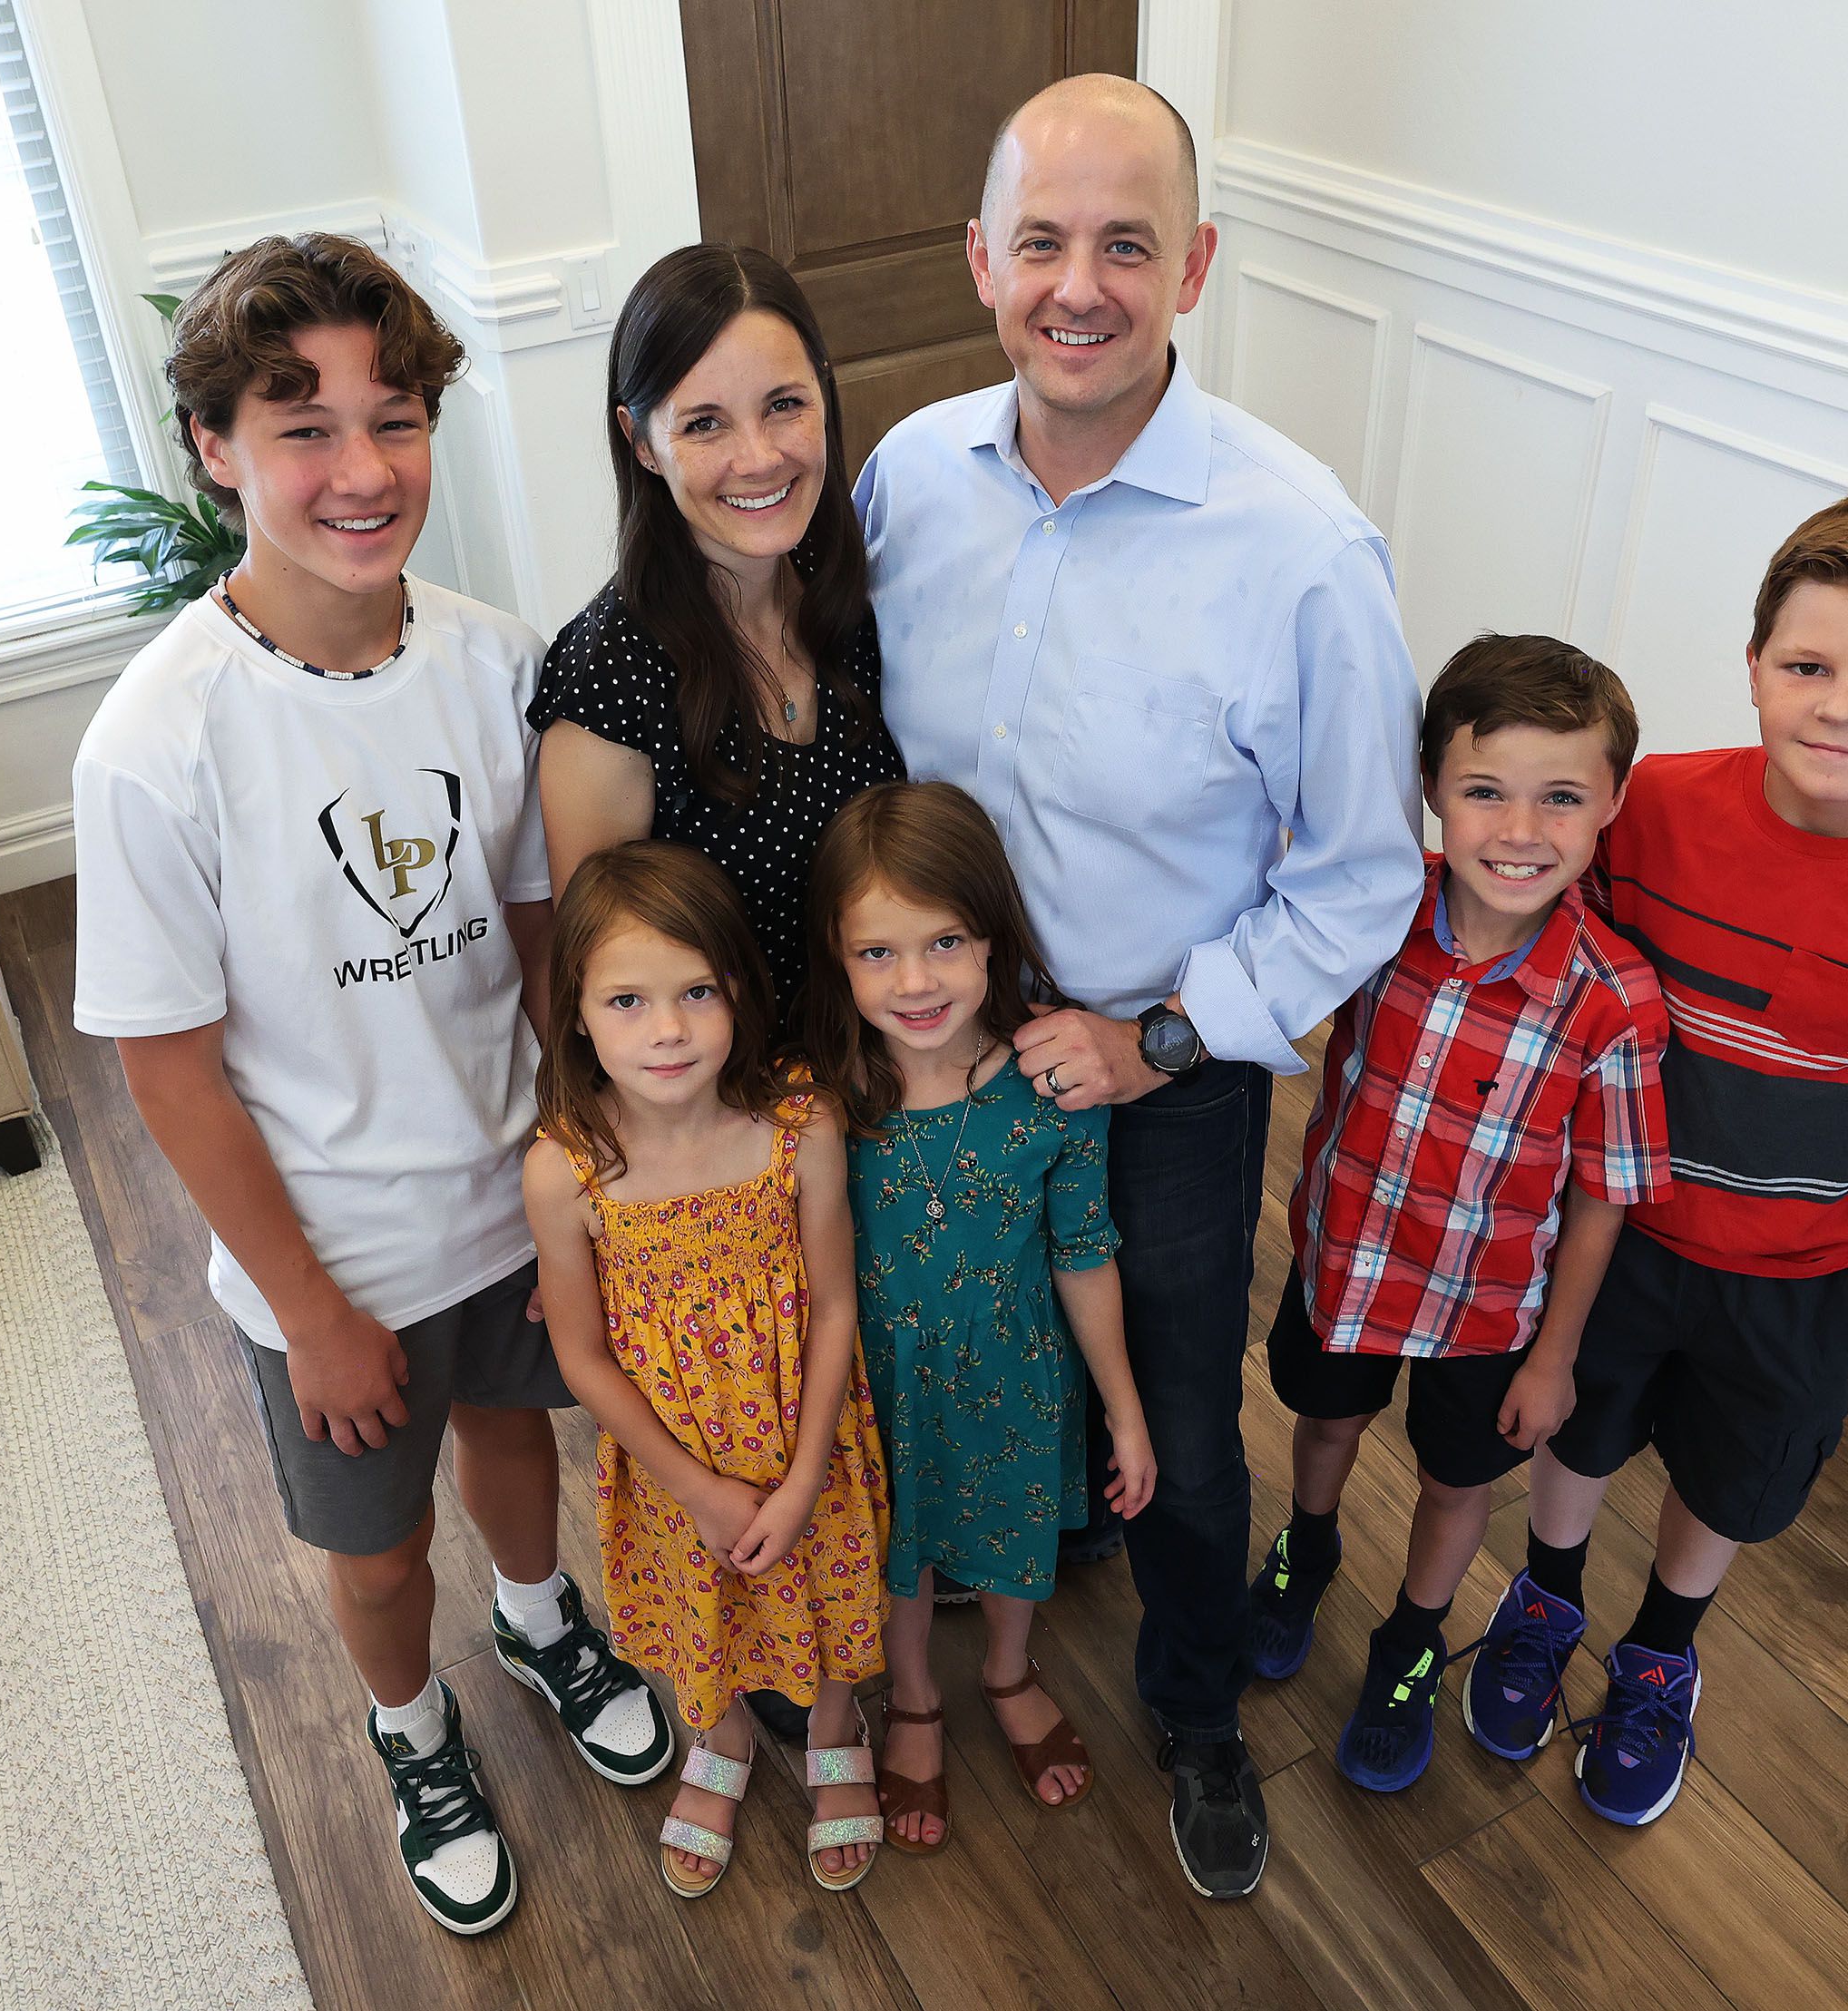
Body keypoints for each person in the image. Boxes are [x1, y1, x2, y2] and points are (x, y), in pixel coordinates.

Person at [855, 74, 1423, 1899]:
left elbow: (1364, 878)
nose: (1078, 285)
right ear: (980, 259)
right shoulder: (905, 479)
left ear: (1197, 264)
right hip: (930, 1057)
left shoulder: (1303, 550)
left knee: (1179, 1428)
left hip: (1164, 1063)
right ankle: (969, 1601)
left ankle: (1192, 1705)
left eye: (1126, 243)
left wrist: (1158, 1034)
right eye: (1041, 241)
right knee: (950, 1351)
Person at [71, 233, 667, 1939]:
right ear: (213, 447)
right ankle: (412, 1729)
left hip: (508, 1195)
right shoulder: (157, 743)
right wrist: (309, 1307)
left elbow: (551, 935)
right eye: (303, 427)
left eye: (392, 420)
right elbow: (170, 1072)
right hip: (327, 1258)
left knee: (514, 1445)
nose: (361, 471)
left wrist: (585, 1150)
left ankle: (543, 1622)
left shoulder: (494, 663)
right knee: (383, 1546)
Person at [1465, 489, 1848, 1827]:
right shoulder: (1648, 814)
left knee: (1729, 1475)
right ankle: (1542, 1599)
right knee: (1572, 1425)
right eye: (1807, 666)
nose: (1840, 705)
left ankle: (1662, 1652)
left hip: (1802, 1275)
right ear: (1753, 667)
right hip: (1612, 1237)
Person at [1248, 636, 1669, 1795]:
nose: (1519, 831)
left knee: (1455, 1484)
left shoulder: (1616, 1002)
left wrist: (1557, 1357)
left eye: (1561, 798)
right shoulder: (1374, 918)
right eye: (1484, 790)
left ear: (1611, 806)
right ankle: (1309, 1547)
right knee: (1324, 1427)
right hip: (1344, 1266)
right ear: (1430, 785)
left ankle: (1409, 1642)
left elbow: (1602, 1199)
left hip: (1492, 1318)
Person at [522, 841, 890, 1898]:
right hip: (672, 1460)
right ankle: (717, 1733)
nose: (669, 1028)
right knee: (698, 1605)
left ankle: (833, 1718)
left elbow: (833, 1303)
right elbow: (581, 1355)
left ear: (740, 990)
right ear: (579, 1015)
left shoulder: (799, 1124)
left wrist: (810, 1466)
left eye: (696, 993)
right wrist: (696, 1487)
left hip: (802, 1435)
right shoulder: (567, 1166)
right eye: (628, 1000)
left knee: (820, 1584)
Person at [800, 780, 1156, 1852]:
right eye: (878, 953)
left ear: (995, 938)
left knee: (1010, 1544)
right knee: (899, 1556)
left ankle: (1008, 1671)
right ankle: (911, 1699)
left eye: (946, 941)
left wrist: (1125, 1412)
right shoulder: (821, 1095)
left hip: (1017, 1372)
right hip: (879, 1386)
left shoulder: (1053, 1084)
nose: (916, 982)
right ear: (835, 953)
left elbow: (1085, 1251)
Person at [530, 242, 906, 1028]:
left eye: (784, 404)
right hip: (745, 1117)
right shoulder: (609, 678)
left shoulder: (861, 593)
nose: (759, 458)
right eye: (704, 424)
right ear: (640, 441)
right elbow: (605, 988)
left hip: (895, 1064)